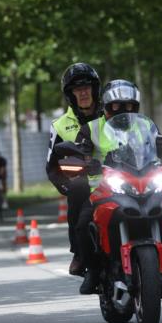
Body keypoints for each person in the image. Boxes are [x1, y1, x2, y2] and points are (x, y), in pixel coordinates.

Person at [74, 79, 162, 300]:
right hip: (104, 188)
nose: (123, 111)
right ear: (105, 106)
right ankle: (93, 271)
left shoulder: (145, 126)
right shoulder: (91, 128)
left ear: (136, 106)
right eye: (116, 106)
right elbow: (79, 153)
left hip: (146, 182)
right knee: (83, 222)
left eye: (129, 106)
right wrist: (83, 162)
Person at [46, 62, 102, 274]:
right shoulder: (59, 125)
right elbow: (52, 166)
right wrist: (66, 185)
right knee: (77, 191)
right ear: (70, 94)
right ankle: (80, 254)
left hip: (117, 177)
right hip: (84, 184)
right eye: (78, 89)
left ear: (95, 89)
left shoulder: (111, 115)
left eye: (87, 87)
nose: (84, 92)